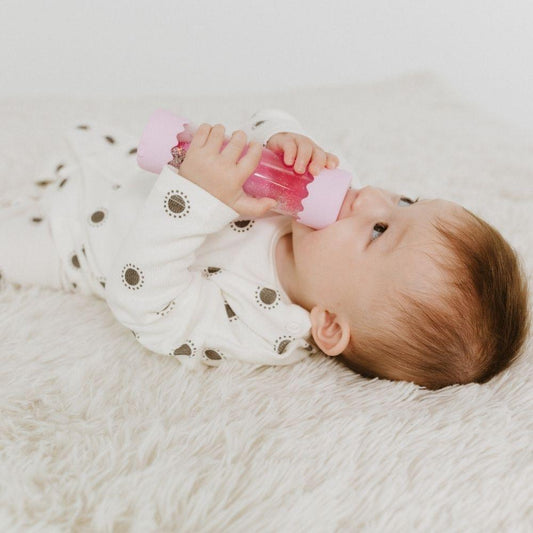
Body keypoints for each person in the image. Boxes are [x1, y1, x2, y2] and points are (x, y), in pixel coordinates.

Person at [0, 109, 529, 390]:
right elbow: (257, 125)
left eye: (380, 230)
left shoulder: (262, 327)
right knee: (85, 131)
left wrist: (197, 196)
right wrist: (282, 136)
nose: (370, 195)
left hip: (75, 242)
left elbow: (144, 303)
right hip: (126, 171)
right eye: (406, 200)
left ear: (329, 325)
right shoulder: (326, 200)